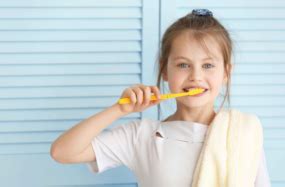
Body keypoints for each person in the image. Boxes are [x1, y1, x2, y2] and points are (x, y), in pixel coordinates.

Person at [50, 9, 271, 187]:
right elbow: (62, 152)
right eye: (183, 65)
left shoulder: (244, 132)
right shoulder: (141, 136)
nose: (196, 76)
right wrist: (119, 109)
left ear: (226, 73)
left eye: (208, 65)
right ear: (165, 71)